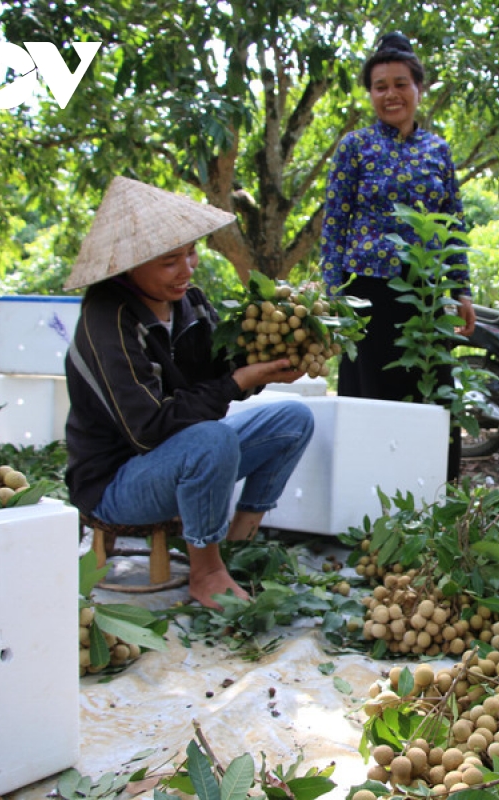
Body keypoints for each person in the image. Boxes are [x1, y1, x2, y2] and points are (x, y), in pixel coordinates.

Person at [63, 176, 315, 610]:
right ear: (130, 265)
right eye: (169, 261)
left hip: (176, 457)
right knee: (210, 439)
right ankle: (206, 571)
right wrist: (238, 381)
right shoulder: (107, 319)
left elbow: (224, 370)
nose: (187, 269)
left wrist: (272, 361)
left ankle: (239, 541)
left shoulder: (190, 303)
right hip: (116, 482)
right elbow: (149, 429)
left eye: (190, 254)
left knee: (293, 418)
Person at [320, 32, 476, 480]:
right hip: (366, 290)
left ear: (418, 89)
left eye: (400, 83)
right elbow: (335, 224)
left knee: (431, 390)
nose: (391, 94)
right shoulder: (355, 147)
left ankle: (432, 497)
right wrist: (333, 298)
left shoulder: (438, 151)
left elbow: (453, 224)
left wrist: (461, 289)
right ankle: (367, 500)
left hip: (424, 296)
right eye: (380, 86)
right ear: (370, 93)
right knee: (371, 395)